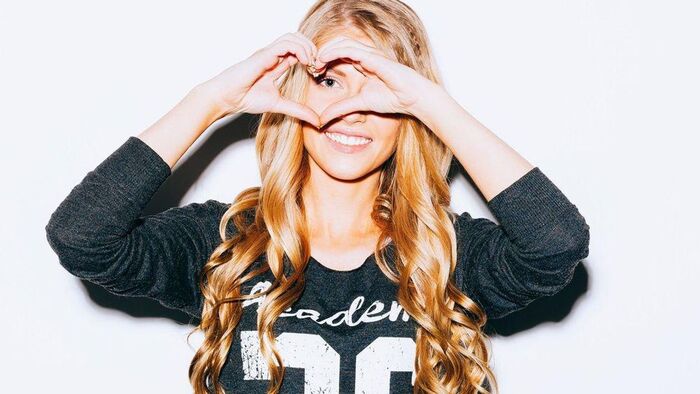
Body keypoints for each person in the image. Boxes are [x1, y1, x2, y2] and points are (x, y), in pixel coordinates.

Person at [45, 0, 590, 393]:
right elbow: (82, 238)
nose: (353, 109)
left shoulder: (443, 251)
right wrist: (211, 100)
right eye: (331, 81)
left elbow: (557, 245)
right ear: (294, 92)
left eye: (379, 89)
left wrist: (430, 103)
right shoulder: (230, 245)